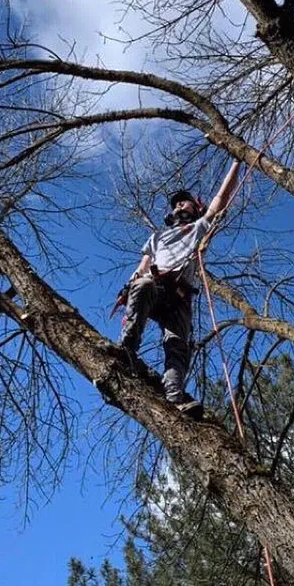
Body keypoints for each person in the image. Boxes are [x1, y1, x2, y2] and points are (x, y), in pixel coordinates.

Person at [101, 159, 241, 419]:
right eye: (176, 202)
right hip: (156, 286)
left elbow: (222, 197)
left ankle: (174, 398)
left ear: (196, 207)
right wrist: (127, 289)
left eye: (184, 201)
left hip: (180, 295)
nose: (179, 204)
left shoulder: (199, 227)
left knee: (178, 345)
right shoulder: (157, 237)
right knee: (142, 285)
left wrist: (235, 162)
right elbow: (143, 267)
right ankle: (127, 349)